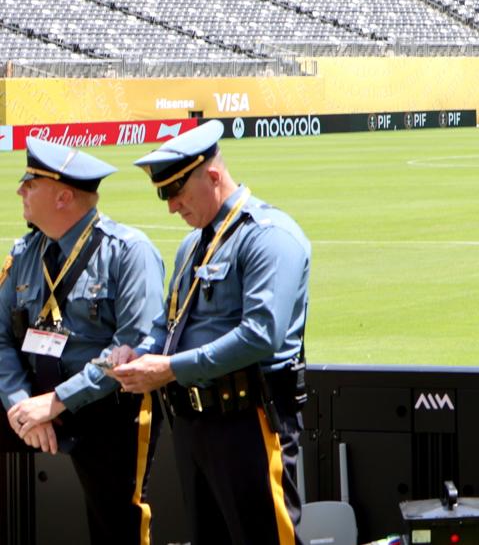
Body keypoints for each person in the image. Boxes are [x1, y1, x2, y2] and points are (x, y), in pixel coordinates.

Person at [111, 121, 311, 545]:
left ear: (214, 176)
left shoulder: (269, 236)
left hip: (250, 422)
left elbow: (261, 335)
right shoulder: (193, 245)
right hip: (194, 423)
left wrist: (170, 368)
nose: (171, 207)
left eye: (176, 192)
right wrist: (139, 353)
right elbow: (169, 323)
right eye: (163, 195)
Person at [1, 138, 165, 544]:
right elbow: (0, 338)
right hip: (32, 398)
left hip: (103, 405)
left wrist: (58, 401)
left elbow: (133, 348)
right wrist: (21, 404)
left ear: (63, 197)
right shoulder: (24, 253)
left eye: (30, 184)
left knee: (118, 525)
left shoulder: (129, 253)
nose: (20, 190)